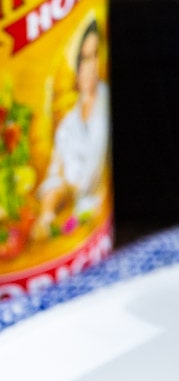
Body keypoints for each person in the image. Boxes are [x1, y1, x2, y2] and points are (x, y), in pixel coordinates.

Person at [32, 19, 109, 241]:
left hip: (99, 227)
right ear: (76, 66)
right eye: (85, 58)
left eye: (95, 55)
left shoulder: (106, 101)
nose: (91, 66)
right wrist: (46, 215)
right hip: (78, 226)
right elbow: (56, 177)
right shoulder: (67, 125)